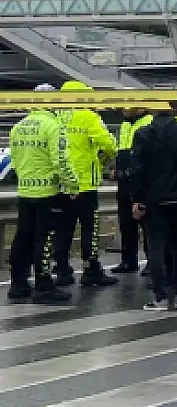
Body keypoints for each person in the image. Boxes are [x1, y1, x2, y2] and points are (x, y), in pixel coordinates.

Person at [126, 111, 177, 312]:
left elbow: (136, 170)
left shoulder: (143, 134)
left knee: (156, 245)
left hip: (153, 199)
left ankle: (160, 296)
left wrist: (136, 199)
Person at [7, 86, 77, 304]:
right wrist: (72, 186)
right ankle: (44, 285)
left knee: (22, 237)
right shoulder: (53, 126)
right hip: (48, 192)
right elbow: (61, 161)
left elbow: (15, 161)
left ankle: (18, 283)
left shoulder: (18, 127)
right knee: (44, 239)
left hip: (25, 190)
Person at [51, 81, 118, 288]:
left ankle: (62, 270)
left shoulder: (55, 116)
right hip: (85, 185)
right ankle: (91, 269)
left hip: (60, 184)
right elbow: (109, 144)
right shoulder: (88, 116)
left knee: (62, 229)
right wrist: (102, 160)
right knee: (89, 228)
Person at [113, 106, 153, 275]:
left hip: (141, 183)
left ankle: (152, 262)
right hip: (124, 182)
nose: (123, 108)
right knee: (126, 223)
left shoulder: (149, 123)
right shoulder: (124, 125)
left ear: (140, 107)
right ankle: (128, 261)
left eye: (128, 105)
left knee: (147, 225)